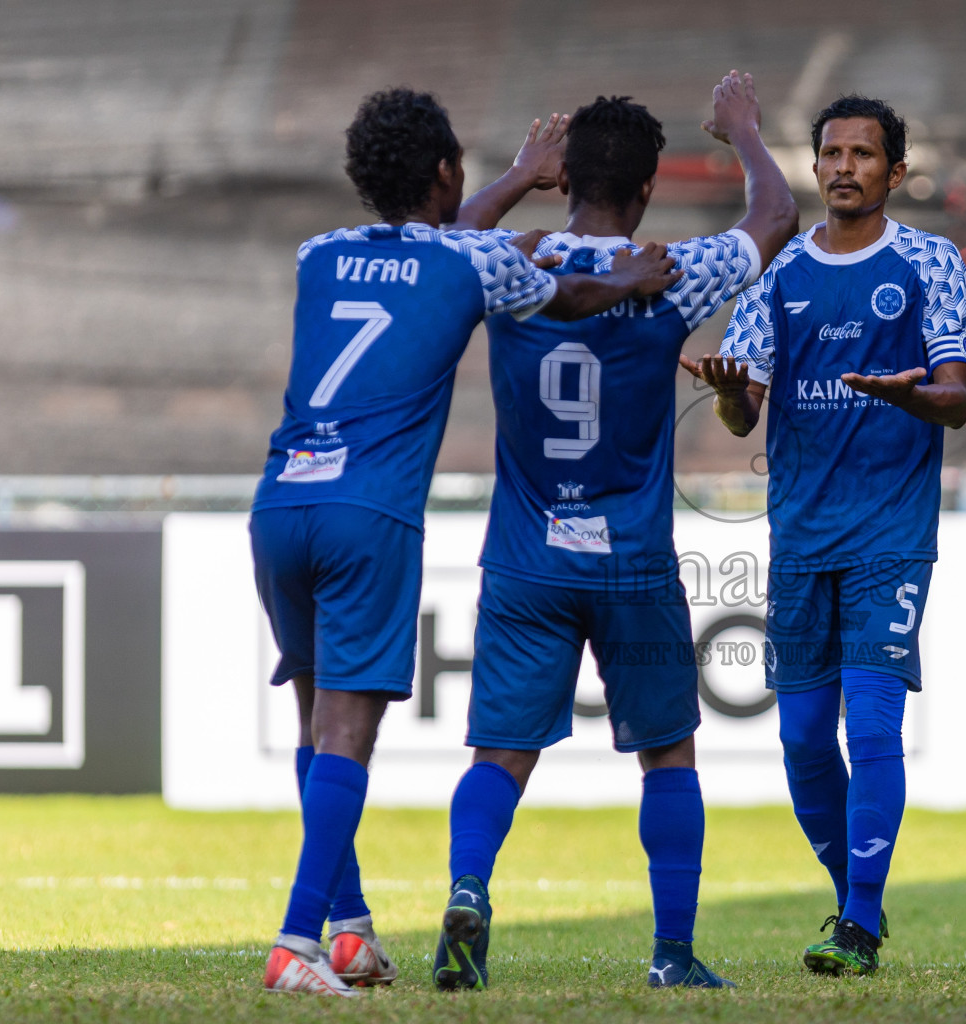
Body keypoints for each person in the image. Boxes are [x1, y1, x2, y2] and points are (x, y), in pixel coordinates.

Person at [250, 86, 681, 997]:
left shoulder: (317, 253)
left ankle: (349, 929)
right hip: (367, 513)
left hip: (280, 502)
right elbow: (565, 295)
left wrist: (521, 179)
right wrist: (630, 281)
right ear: (447, 171)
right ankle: (295, 941)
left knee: (312, 716)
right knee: (347, 731)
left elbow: (439, 248)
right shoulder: (473, 265)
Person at [430, 72, 798, 992]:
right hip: (632, 561)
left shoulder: (515, 263)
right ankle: (672, 954)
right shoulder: (677, 273)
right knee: (668, 753)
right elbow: (776, 218)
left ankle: (470, 888)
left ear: (568, 179)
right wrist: (743, 133)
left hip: (525, 559)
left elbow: (435, 249)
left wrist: (517, 174)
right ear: (645, 190)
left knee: (500, 755)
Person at [683, 94, 966, 976]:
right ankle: (854, 900)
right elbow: (742, 418)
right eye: (832, 153)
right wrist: (733, 390)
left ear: (896, 170)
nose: (845, 166)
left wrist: (908, 396)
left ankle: (857, 918)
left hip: (891, 531)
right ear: (815, 167)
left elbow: (957, 399)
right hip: (802, 538)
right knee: (805, 741)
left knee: (872, 724)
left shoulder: (931, 261)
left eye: (864, 153)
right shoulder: (775, 277)